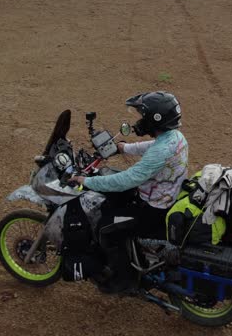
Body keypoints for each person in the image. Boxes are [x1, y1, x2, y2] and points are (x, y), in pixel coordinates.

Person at [68, 91, 188, 291]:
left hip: (153, 209)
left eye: (143, 116)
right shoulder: (175, 137)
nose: (140, 121)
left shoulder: (162, 151)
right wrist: (125, 148)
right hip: (166, 196)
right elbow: (152, 145)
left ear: (154, 119)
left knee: (106, 229)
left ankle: (123, 280)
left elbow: (127, 179)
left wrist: (86, 181)